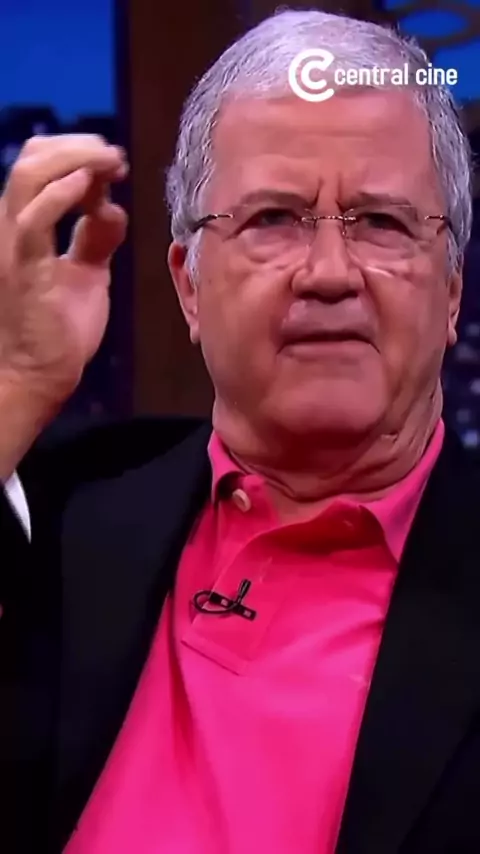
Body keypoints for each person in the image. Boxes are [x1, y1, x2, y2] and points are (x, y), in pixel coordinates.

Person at [1, 7, 479, 854]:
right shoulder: (65, 514)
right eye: (273, 219)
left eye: (382, 222)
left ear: (451, 293)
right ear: (189, 286)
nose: (329, 274)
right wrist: (18, 384)